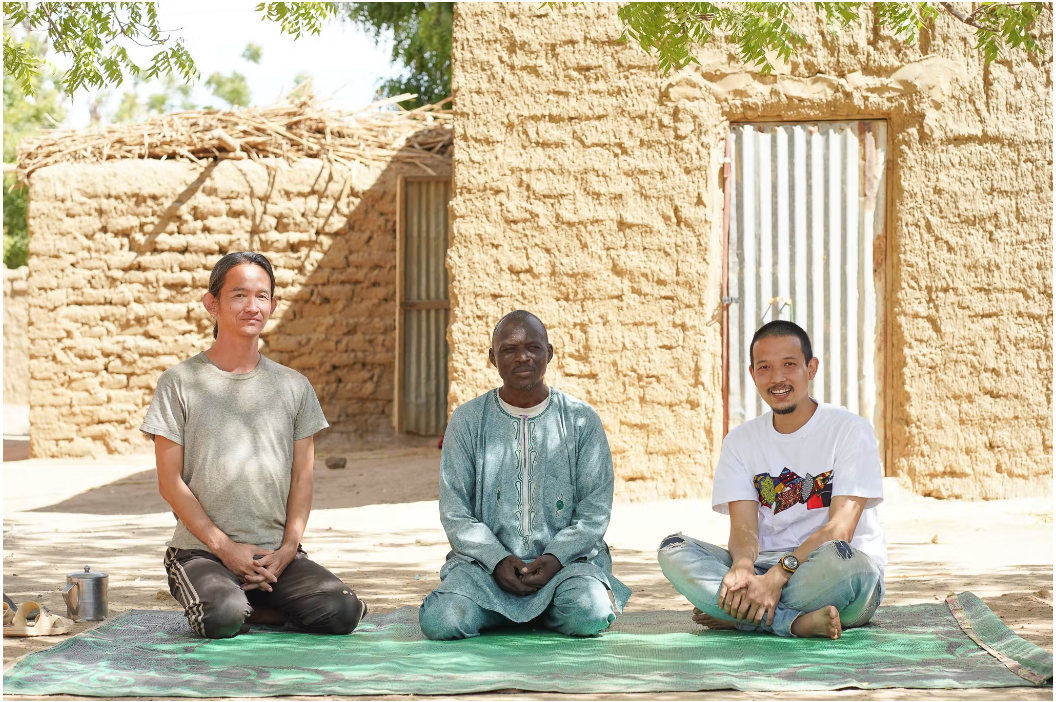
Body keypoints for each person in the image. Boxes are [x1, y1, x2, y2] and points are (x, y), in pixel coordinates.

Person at [140, 252, 366, 639]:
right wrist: (224, 548)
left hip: (273, 556)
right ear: (212, 303)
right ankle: (241, 602)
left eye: (262, 296)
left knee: (342, 612)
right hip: (201, 552)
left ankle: (258, 604)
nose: (252, 306)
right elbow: (169, 483)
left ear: (274, 305)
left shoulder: (294, 386)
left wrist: (289, 548)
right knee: (222, 617)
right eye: (239, 295)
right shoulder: (179, 383)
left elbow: (302, 477)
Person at [658, 320, 886, 640]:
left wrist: (778, 577)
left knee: (841, 561)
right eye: (764, 367)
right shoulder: (740, 441)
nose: (777, 378)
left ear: (811, 368)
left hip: (838, 574)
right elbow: (743, 529)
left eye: (789, 365)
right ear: (753, 374)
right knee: (674, 551)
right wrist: (742, 566)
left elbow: (840, 529)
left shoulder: (850, 430)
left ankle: (744, 616)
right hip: (765, 570)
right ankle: (792, 622)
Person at [419, 310, 631, 640]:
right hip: (484, 572)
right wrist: (497, 559)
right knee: (441, 620)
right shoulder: (468, 421)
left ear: (550, 352)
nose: (522, 357)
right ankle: (514, 612)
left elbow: (594, 511)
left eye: (533, 347)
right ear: (492, 357)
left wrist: (555, 557)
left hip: (567, 569)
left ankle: (531, 613)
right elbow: (455, 513)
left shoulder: (581, 420)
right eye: (509, 349)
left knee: (590, 611)